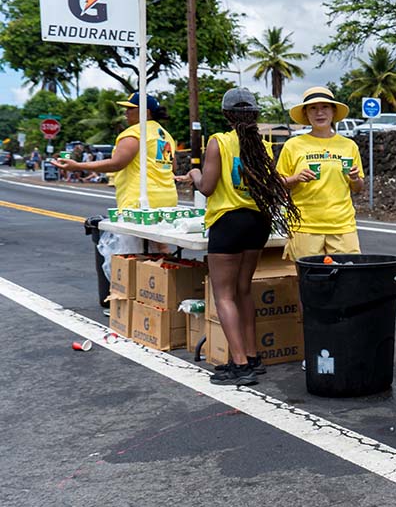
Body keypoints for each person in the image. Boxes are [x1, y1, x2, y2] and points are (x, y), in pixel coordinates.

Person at [178, 88, 299, 386]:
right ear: (254, 115)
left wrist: (192, 175)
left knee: (224, 295)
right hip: (258, 222)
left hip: (228, 221)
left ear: (227, 115)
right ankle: (253, 356)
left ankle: (240, 365)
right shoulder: (266, 146)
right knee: (243, 289)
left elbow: (207, 187)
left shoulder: (218, 142)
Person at [277, 86, 365, 260]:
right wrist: (296, 178)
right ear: (306, 114)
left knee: (347, 278)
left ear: (333, 111)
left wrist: (355, 178)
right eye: (313, 108)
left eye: (325, 107)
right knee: (310, 281)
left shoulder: (349, 146)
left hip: (342, 225)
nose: (320, 113)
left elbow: (358, 187)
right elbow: (278, 181)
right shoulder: (293, 145)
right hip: (305, 225)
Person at [52, 93, 177, 208]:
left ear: (146, 112)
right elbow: (172, 168)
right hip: (168, 199)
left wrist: (78, 166)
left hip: (140, 200)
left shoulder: (135, 133)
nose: (125, 113)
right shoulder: (166, 136)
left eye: (130, 109)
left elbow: (116, 163)